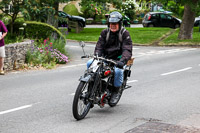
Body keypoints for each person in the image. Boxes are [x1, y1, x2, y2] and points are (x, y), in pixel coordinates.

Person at [87, 11, 133, 104]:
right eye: (111, 23)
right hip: (105, 58)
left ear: (120, 24)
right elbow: (99, 46)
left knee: (118, 71)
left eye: (115, 24)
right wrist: (97, 55)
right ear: (109, 24)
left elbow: (127, 49)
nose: (113, 25)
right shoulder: (105, 33)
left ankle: (116, 91)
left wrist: (122, 61)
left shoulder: (124, 34)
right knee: (90, 63)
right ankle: (93, 85)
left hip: (118, 60)